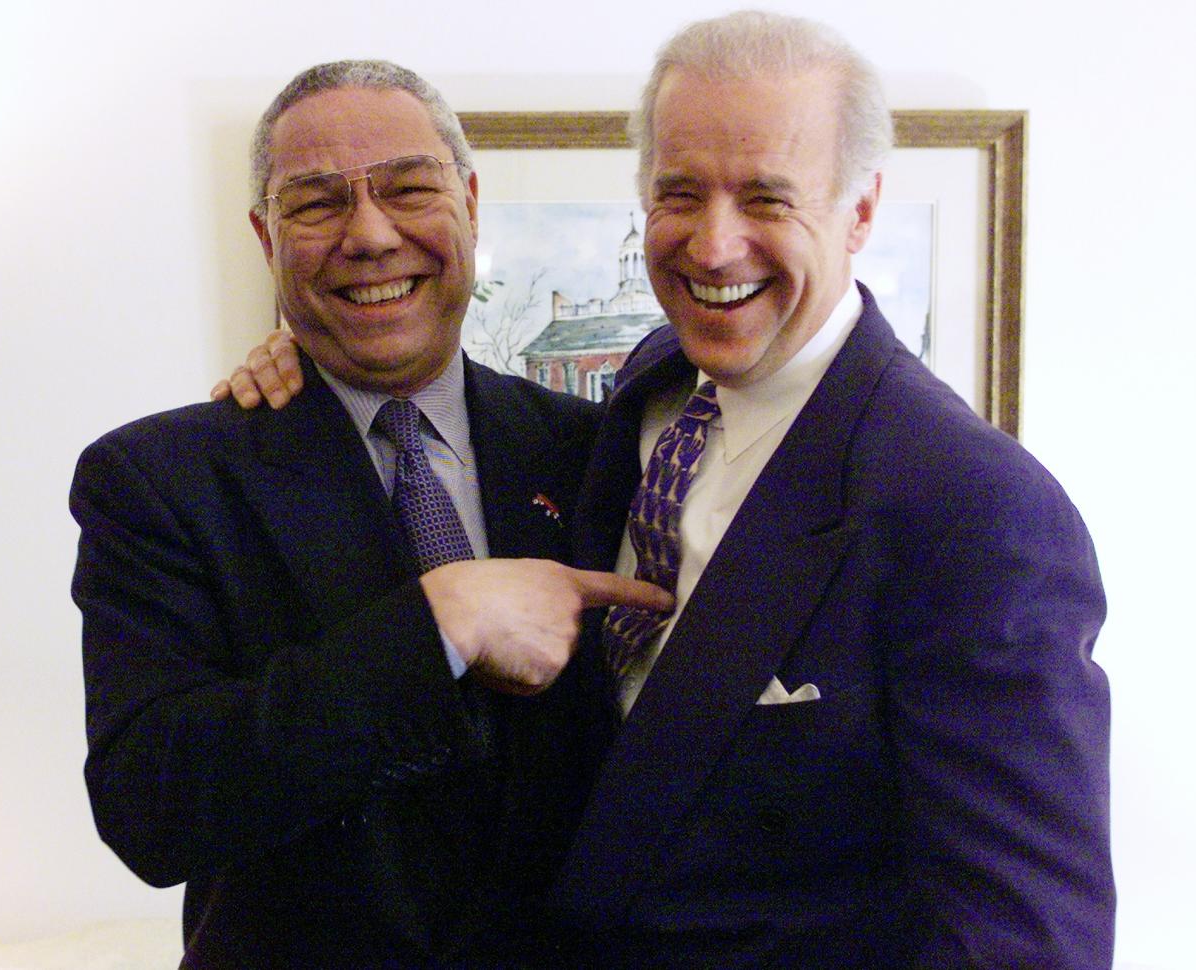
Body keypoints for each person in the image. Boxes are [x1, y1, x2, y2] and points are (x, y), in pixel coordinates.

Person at [224, 13, 1114, 968]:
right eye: (679, 193)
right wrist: (309, 364)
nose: (714, 245)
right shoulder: (643, 393)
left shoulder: (975, 507)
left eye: (767, 197)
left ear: (860, 211)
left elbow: (1025, 938)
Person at [69, 60, 670, 969]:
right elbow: (150, 808)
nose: (372, 234)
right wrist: (441, 625)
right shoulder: (160, 480)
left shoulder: (594, 450)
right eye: (316, 204)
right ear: (265, 239)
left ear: (470, 202)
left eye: (410, 189)